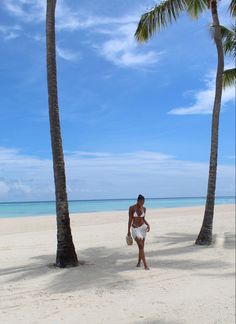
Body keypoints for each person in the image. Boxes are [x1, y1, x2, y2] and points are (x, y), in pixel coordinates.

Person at [127, 194, 150, 270]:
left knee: (141, 247)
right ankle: (145, 265)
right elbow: (130, 220)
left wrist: (148, 224)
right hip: (135, 229)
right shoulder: (132, 208)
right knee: (140, 246)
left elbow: (143, 218)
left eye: (143, 202)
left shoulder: (144, 208)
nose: (142, 204)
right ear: (137, 201)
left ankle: (139, 262)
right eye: (141, 202)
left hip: (143, 228)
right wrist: (128, 232)